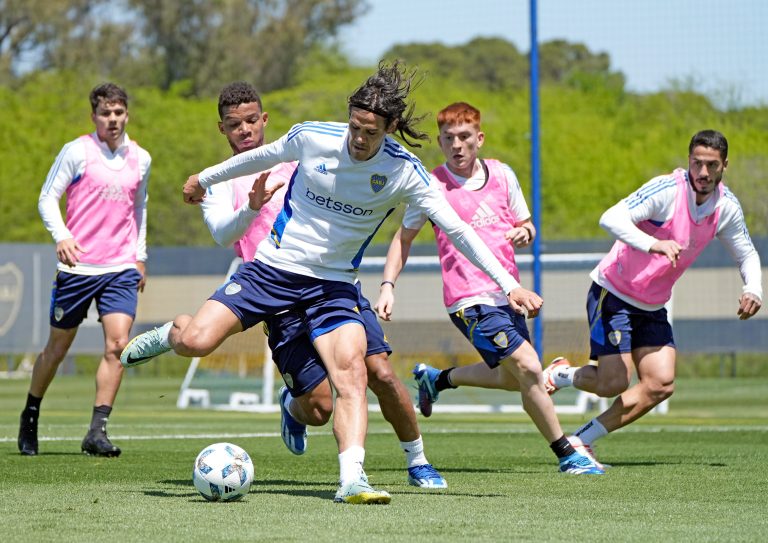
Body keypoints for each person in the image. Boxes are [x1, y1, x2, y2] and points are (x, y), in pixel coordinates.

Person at [122, 61, 542, 504]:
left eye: (371, 132)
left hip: (333, 286)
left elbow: (459, 230)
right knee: (196, 342)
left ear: (390, 128)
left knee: (354, 373)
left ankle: (353, 479)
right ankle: (172, 333)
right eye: (355, 127)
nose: (360, 139)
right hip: (271, 271)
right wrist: (203, 179)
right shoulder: (314, 137)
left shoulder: (406, 172)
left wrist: (508, 284)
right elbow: (264, 155)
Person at [197, 81, 446, 489]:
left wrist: (385, 283)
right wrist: (251, 207)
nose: (244, 130)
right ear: (221, 129)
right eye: (233, 124)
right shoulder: (225, 179)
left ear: (264, 120)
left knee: (379, 371)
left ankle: (417, 460)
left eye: (250, 121)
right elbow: (224, 235)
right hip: (274, 288)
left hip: (332, 284)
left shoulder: (301, 155)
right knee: (318, 408)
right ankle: (293, 410)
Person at [375, 102, 603, 475]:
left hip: (507, 294)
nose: (457, 145)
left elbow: (526, 224)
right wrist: (387, 286)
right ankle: (568, 454)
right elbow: (403, 239)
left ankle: (437, 379)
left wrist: (524, 232)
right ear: (440, 141)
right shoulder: (430, 185)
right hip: (468, 299)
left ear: (479, 139)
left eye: (465, 137)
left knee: (512, 379)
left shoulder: (501, 175)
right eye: (449, 139)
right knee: (530, 367)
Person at [541, 129, 762, 464]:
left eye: (711, 166)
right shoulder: (668, 192)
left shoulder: (726, 208)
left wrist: (753, 288)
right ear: (688, 160)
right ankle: (562, 375)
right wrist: (652, 243)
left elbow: (746, 254)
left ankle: (582, 439)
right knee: (613, 381)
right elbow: (610, 217)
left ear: (724, 167)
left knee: (660, 383)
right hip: (613, 293)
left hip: (653, 304)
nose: (703, 173)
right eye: (697, 163)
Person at [18, 83, 151, 457]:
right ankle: (30, 413)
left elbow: (139, 209)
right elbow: (47, 197)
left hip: (120, 267)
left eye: (119, 113)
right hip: (77, 267)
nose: (113, 119)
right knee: (57, 348)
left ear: (127, 115)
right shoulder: (76, 152)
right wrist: (61, 236)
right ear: (94, 116)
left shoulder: (141, 158)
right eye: (106, 113)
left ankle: (97, 431)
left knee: (118, 345)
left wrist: (139, 256)